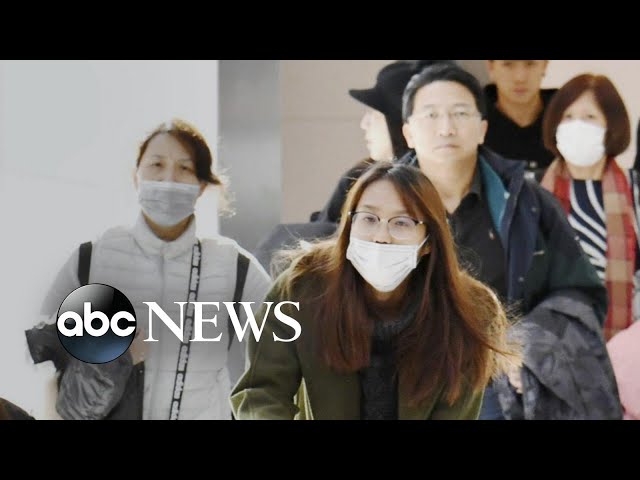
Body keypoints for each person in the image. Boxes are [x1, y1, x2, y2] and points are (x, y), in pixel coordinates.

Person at [399, 62, 620, 419]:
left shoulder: (530, 203)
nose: (446, 127)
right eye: (431, 114)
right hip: (406, 387)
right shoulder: (375, 203)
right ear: (408, 132)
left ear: (483, 129)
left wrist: (528, 342)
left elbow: (581, 293)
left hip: (501, 393)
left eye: (460, 113)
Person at [231, 162, 520, 420]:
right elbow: (261, 392)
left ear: (429, 241)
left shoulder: (469, 310)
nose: (381, 237)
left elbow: (456, 410)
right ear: (348, 225)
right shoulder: (301, 287)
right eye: (368, 219)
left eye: (402, 223)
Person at [31, 119, 272, 420]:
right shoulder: (90, 260)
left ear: (201, 185)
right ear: (136, 176)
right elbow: (46, 362)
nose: (168, 178)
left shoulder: (234, 266)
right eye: (156, 164)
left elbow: (284, 344)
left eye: (184, 168)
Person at [540, 74, 638, 341]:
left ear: (611, 126)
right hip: (552, 345)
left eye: (590, 117)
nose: (577, 126)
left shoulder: (634, 190)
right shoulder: (534, 194)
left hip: (623, 344)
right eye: (568, 117)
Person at [484, 60, 556, 180]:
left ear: (544, 65)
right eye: (508, 64)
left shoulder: (567, 114)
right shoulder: (471, 119)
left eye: (530, 64)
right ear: (491, 66)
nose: (520, 78)